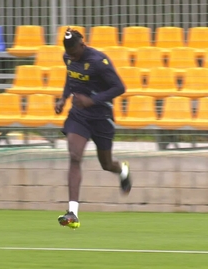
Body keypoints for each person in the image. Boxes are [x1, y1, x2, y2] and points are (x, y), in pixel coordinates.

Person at [55, 27, 132, 229]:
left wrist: (92, 100)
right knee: (74, 156)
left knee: (106, 164)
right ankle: (72, 213)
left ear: (82, 44)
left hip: (101, 117)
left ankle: (122, 169)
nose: (71, 56)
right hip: (79, 116)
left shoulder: (99, 62)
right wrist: (63, 98)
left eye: (74, 52)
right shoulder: (69, 57)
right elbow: (70, 78)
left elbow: (119, 88)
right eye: (68, 54)